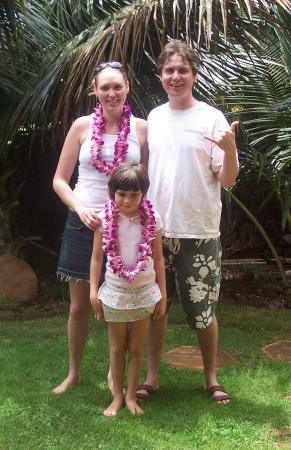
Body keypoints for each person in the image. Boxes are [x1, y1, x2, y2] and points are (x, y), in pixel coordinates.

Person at [136, 40, 239, 404]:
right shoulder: (155, 117)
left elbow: (227, 179)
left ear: (194, 74)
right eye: (169, 70)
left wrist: (229, 150)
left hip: (199, 230)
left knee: (203, 311)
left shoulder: (212, 118)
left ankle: (211, 378)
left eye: (183, 70)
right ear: (161, 76)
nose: (175, 76)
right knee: (154, 307)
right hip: (156, 232)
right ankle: (151, 378)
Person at [52, 61, 148, 394]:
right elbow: (60, 180)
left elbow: (146, 182)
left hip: (125, 227)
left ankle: (114, 375)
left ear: (127, 87)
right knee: (79, 306)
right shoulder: (81, 126)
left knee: (121, 306)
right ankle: (74, 372)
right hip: (84, 222)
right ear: (95, 90)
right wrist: (79, 209)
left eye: (116, 86)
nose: (111, 93)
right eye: (104, 87)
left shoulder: (141, 129)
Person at [90, 162, 166, 417]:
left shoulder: (152, 219)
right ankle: (117, 396)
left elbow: (158, 259)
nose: (128, 200)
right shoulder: (105, 218)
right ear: (113, 193)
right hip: (115, 292)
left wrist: (162, 296)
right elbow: (96, 259)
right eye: (122, 194)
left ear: (143, 194)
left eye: (134, 194)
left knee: (136, 348)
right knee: (116, 348)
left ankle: (132, 396)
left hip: (145, 292)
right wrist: (93, 292)